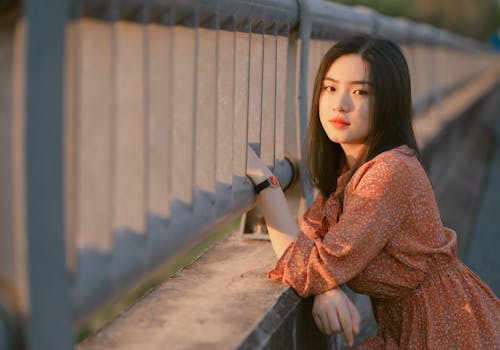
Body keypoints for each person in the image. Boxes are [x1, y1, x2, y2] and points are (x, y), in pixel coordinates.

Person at [246, 35, 499, 349]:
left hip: (444, 329)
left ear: (388, 102)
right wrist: (327, 289)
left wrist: (266, 185)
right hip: (414, 327)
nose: (340, 104)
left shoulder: (388, 172)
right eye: (330, 88)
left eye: (360, 91)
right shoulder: (351, 170)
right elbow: (315, 243)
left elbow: (314, 266)